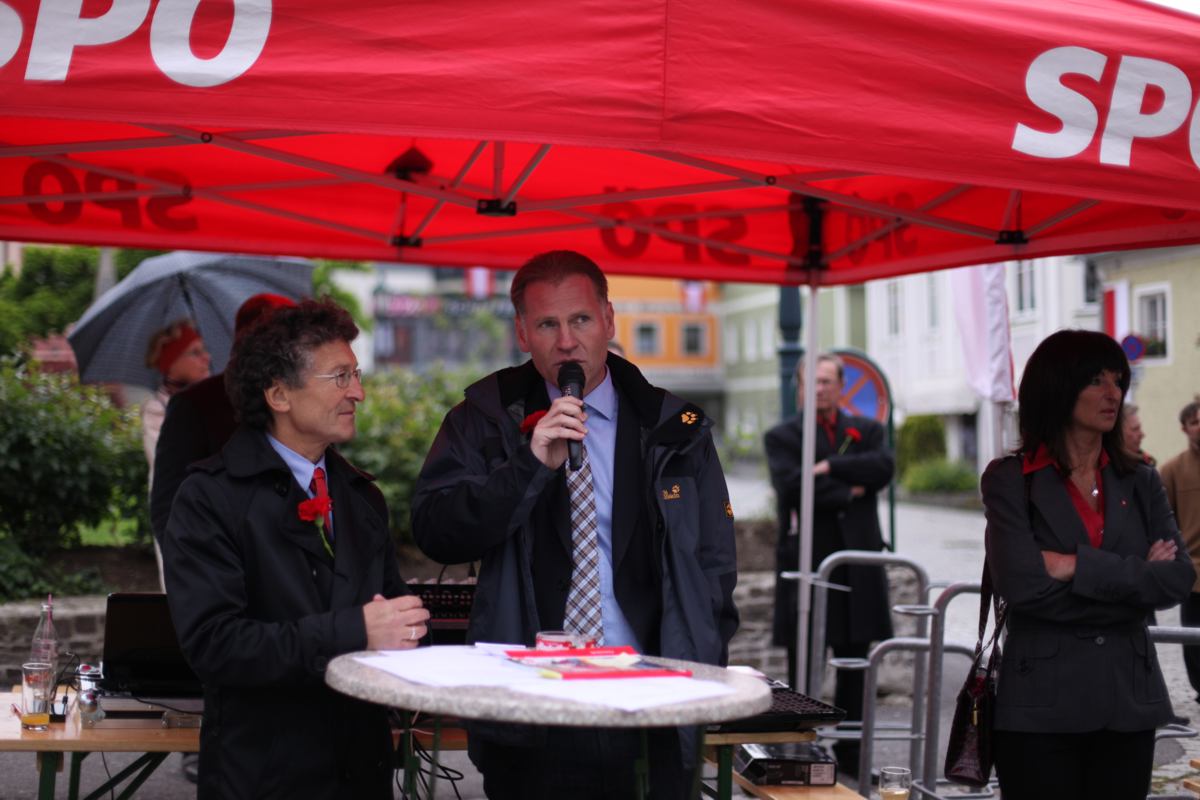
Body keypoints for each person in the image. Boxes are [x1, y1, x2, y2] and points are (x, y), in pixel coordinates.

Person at [412, 250, 738, 800]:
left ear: (608, 320)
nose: (567, 341)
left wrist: (702, 656)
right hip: (531, 705)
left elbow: (715, 564)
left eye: (581, 319)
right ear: (522, 333)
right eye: (547, 324)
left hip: (651, 698)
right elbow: (436, 531)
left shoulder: (673, 425)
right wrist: (528, 467)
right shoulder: (484, 418)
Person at [161, 299, 428, 800]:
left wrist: (412, 630)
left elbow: (390, 615)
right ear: (279, 394)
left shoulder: (362, 496)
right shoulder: (209, 497)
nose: (358, 392)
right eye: (340, 377)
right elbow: (216, 646)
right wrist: (356, 630)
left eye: (356, 374)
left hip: (361, 771)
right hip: (262, 776)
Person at [982, 329, 1193, 800]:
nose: (1113, 393)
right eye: (1096, 380)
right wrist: (1135, 576)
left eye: (1118, 380)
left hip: (1127, 700)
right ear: (1058, 386)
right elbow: (1022, 586)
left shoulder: (1140, 479)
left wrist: (1073, 565)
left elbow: (1178, 578)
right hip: (1040, 706)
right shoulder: (1012, 480)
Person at [763, 353, 894, 774]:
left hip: (857, 565)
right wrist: (851, 490)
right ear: (801, 388)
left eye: (827, 381)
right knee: (804, 665)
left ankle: (852, 758)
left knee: (856, 666)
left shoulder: (868, 431)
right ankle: (800, 755)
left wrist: (831, 466)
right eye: (812, 382)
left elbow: (883, 467)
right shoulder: (783, 436)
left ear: (840, 386)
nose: (819, 389)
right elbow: (792, 488)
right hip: (808, 563)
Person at [150, 293, 296, 545]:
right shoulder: (196, 403)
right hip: (219, 557)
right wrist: (193, 563)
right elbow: (169, 504)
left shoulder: (308, 400)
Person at [1158, 396, 1200, 705]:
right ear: (1184, 428)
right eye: (1195, 422)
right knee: (1194, 639)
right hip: (1194, 573)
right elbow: (1163, 521)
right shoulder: (1173, 470)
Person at [141, 319, 211, 474]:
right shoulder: (156, 409)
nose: (207, 357)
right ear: (172, 363)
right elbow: (170, 467)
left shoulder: (210, 399)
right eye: (195, 352)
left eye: (204, 349)